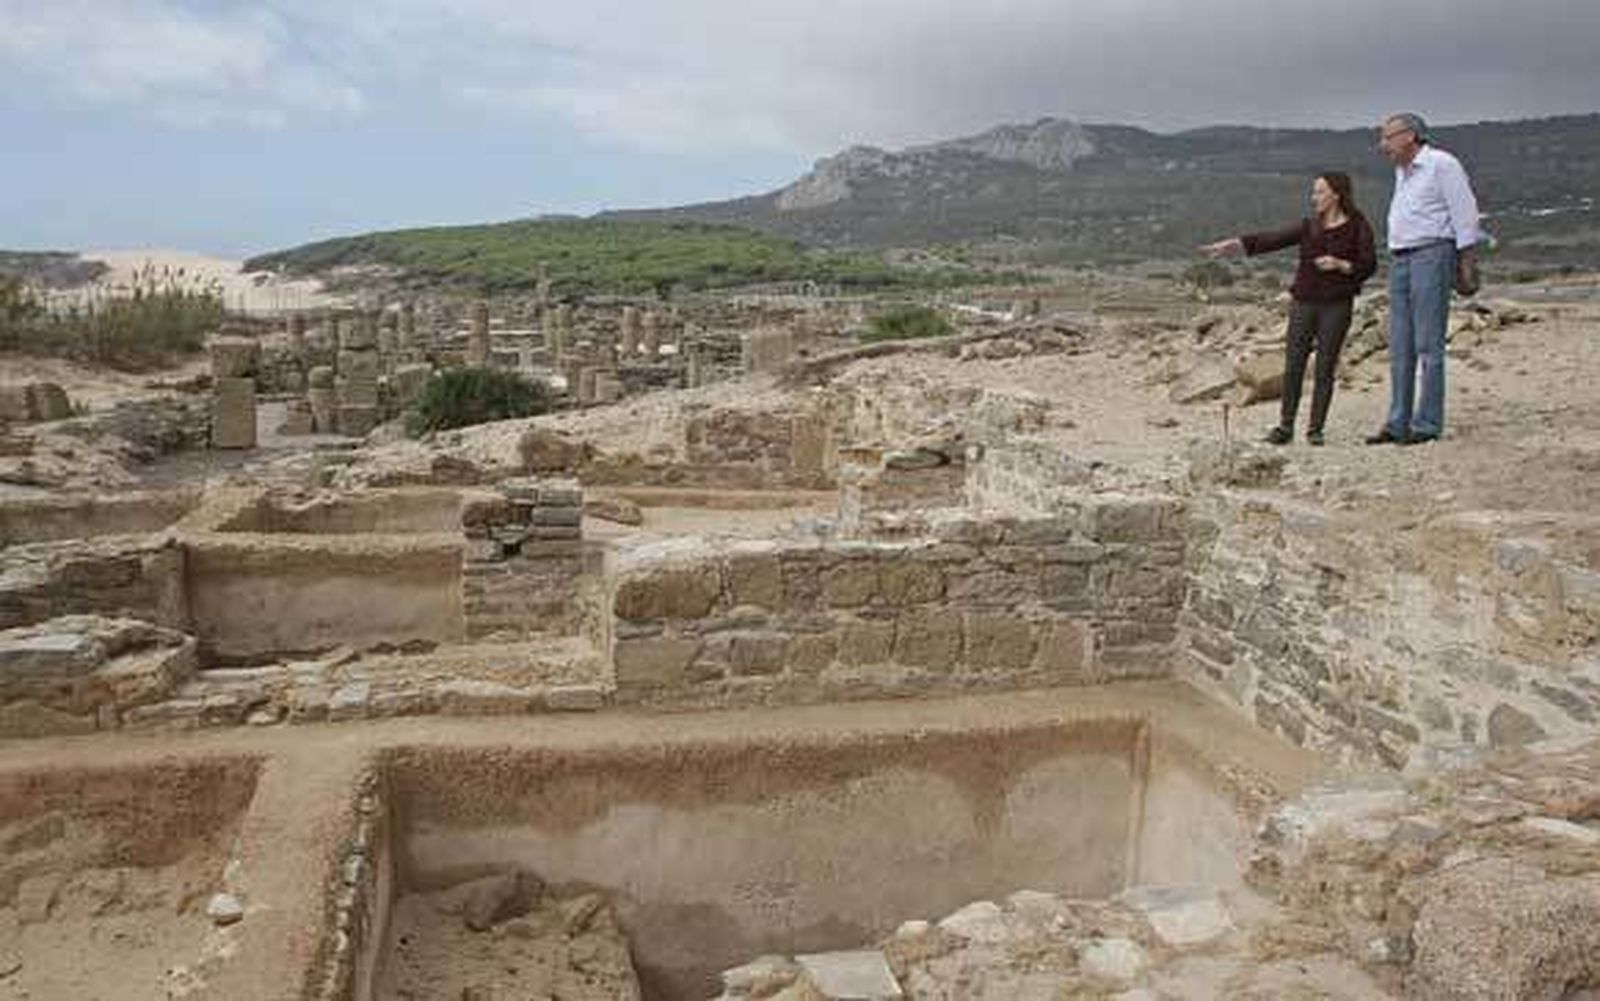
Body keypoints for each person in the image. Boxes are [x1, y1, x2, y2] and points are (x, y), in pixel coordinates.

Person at [1200, 172, 1377, 446]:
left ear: (1336, 195)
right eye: (1314, 191)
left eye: (1319, 192)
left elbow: (1368, 265)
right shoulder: (1309, 226)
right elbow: (1273, 238)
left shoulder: (1358, 226)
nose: (1314, 197)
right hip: (1304, 302)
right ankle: (1285, 427)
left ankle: (1315, 430)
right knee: (1293, 366)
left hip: (1337, 305)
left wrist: (1341, 265)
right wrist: (1235, 244)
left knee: (1325, 368)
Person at [1365, 112, 1481, 446]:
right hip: (1401, 257)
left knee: (1429, 343)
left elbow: (1465, 214)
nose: (1382, 144)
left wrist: (1466, 262)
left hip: (1432, 253)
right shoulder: (1403, 173)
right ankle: (1397, 422)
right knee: (1400, 344)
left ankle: (1427, 422)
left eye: (1388, 137)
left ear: (1410, 136)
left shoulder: (1442, 165)